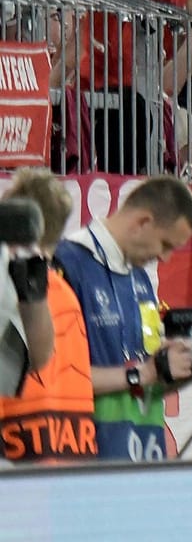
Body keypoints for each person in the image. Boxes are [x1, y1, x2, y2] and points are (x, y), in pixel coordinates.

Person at [53, 174, 192, 461]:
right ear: (143, 222)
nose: (166, 258)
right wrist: (140, 374)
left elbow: (145, 374)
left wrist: (175, 369)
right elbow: (53, 375)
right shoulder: (66, 264)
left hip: (141, 457)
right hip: (82, 461)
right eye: (166, 244)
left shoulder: (141, 278)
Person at [0, 171, 92, 464]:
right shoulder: (62, 290)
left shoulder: (32, 286)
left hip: (21, 452)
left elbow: (27, 362)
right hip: (61, 455)